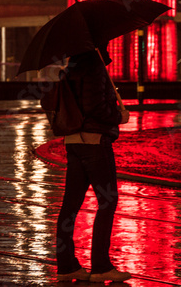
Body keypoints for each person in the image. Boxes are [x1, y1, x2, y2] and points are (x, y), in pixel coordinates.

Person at [54, 46, 131, 283]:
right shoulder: (95, 69)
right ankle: (101, 266)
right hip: (95, 141)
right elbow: (95, 107)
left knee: (70, 205)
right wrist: (119, 116)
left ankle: (67, 266)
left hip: (74, 141)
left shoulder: (70, 70)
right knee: (108, 201)